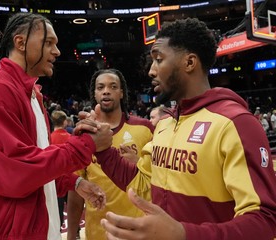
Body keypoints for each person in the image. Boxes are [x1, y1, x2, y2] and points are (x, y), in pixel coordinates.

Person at [79, 18, 276, 239]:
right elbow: (142, 184)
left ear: (189, 63)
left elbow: (263, 221)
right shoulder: (165, 124)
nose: (151, 71)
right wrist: (104, 149)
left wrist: (184, 234)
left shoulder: (236, 123)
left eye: (158, 60)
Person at [0, 12, 113, 240]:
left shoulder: (33, 95)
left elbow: (38, 161)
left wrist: (74, 182)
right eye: (48, 42)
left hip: (39, 226)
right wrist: (87, 143)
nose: (57, 51)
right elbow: (16, 172)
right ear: (20, 42)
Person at [67, 69, 154, 240]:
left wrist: (139, 163)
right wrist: (71, 235)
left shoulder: (145, 128)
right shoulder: (82, 136)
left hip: (139, 232)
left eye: (113, 86)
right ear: (95, 94)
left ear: (121, 93)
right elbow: (75, 191)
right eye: (100, 87)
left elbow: (161, 179)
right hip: (98, 233)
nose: (106, 90)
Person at [50, 110, 71, 232]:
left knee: (57, 207)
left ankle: (58, 230)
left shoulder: (49, 138)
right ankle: (77, 230)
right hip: (71, 176)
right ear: (64, 122)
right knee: (73, 205)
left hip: (55, 178)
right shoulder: (70, 138)